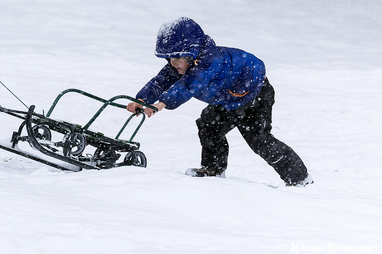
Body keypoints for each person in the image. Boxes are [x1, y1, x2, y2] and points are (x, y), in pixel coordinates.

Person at [126, 17, 311, 186]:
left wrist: (162, 103)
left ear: (192, 53)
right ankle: (213, 170)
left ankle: (299, 179)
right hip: (228, 100)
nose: (173, 63)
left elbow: (189, 85)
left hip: (254, 95)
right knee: (209, 125)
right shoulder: (183, 64)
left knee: (258, 139)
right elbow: (160, 81)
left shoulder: (209, 61)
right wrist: (142, 99)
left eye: (177, 58)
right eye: (170, 58)